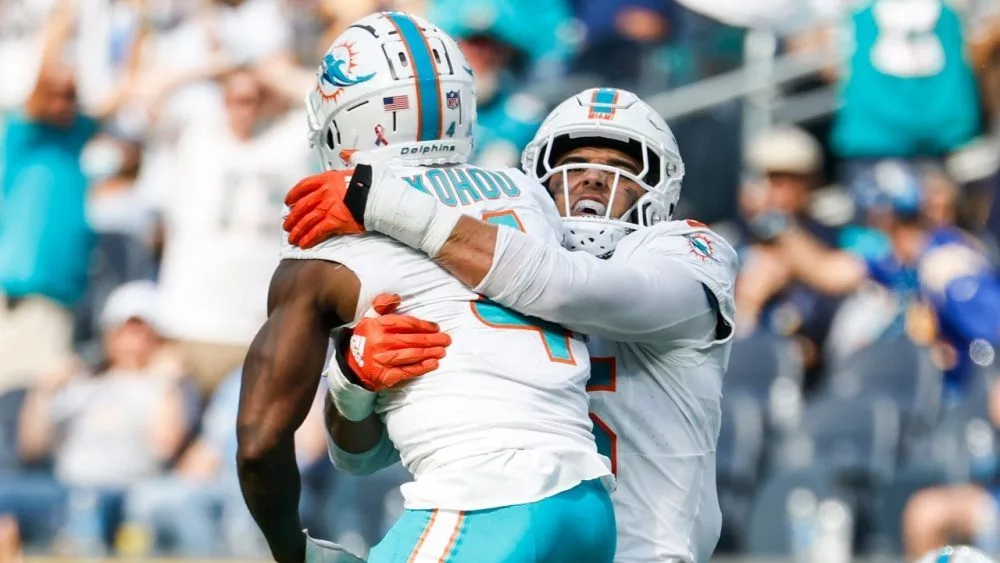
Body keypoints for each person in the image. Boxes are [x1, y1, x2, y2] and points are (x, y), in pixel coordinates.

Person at [283, 87, 739, 563]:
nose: (591, 178)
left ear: (659, 188)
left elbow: (571, 289)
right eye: (574, 162)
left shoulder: (685, 252)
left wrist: (387, 204)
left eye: (621, 167)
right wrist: (353, 382)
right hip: (519, 537)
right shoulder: (483, 268)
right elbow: (360, 458)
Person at [236, 12, 615, 563]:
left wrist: (291, 552)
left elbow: (258, 444)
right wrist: (352, 381)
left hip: (482, 505)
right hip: (587, 507)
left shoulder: (326, 250)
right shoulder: (527, 195)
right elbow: (359, 455)